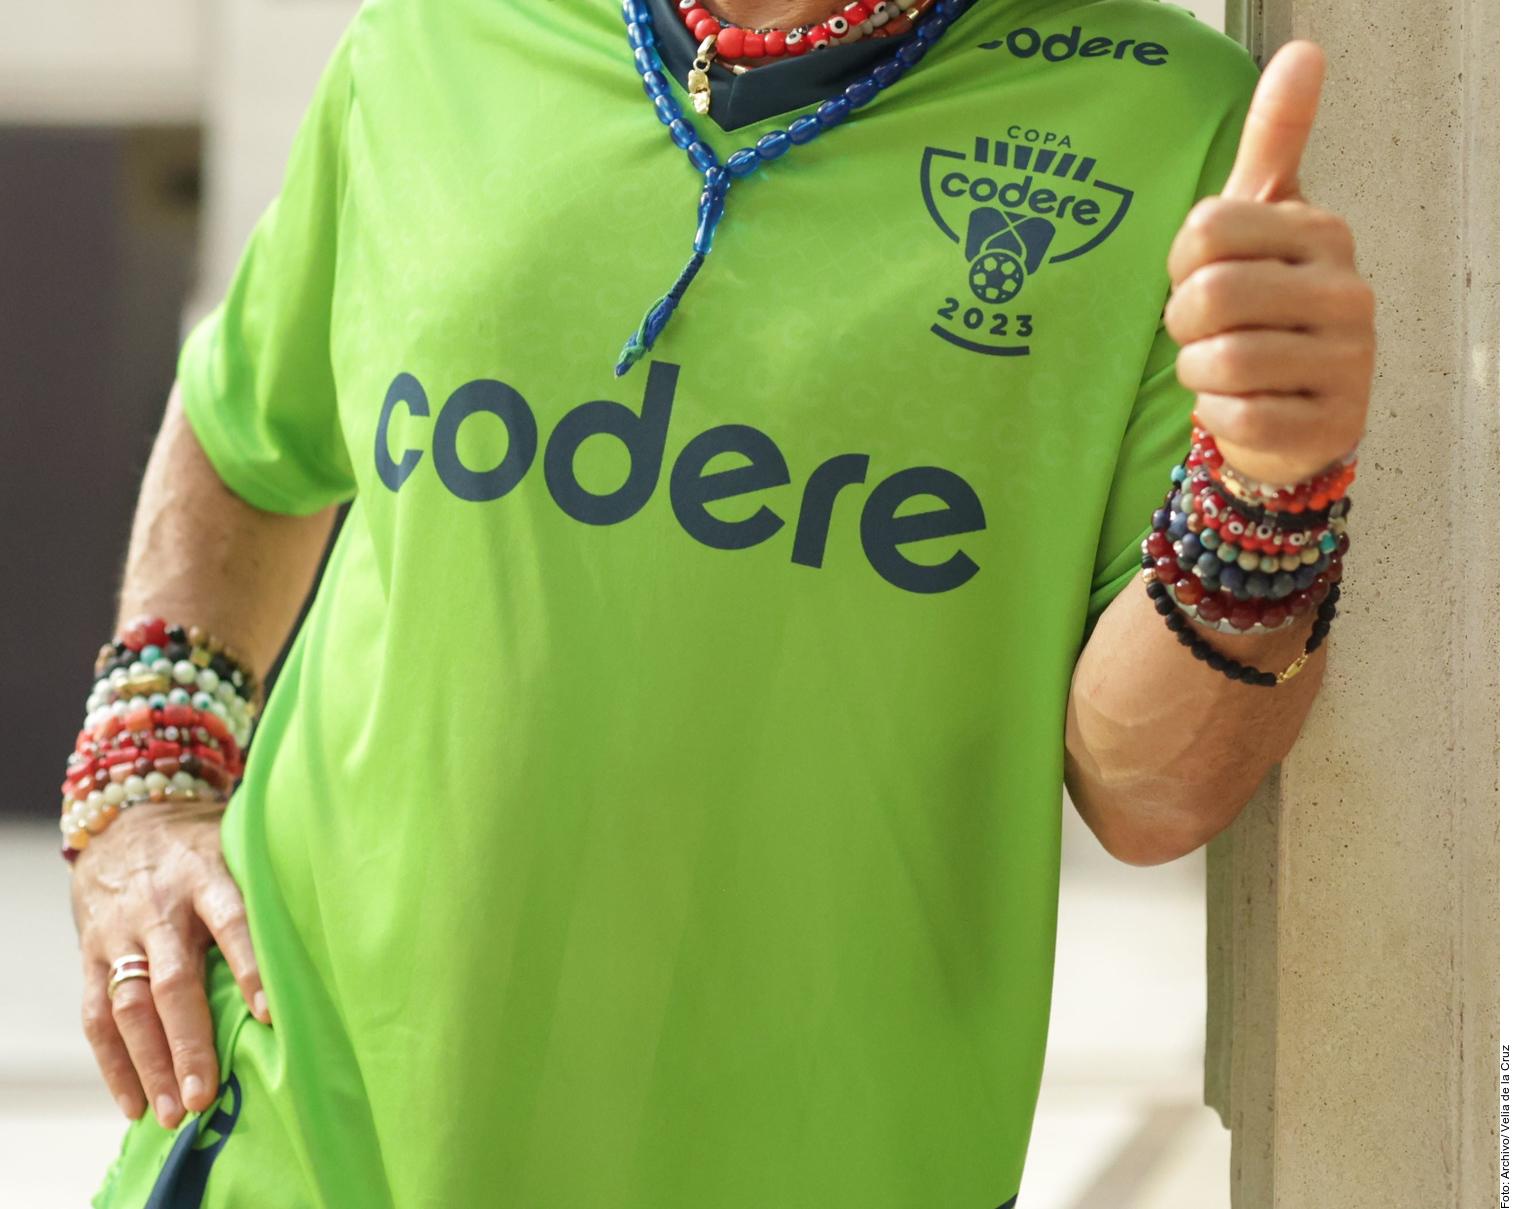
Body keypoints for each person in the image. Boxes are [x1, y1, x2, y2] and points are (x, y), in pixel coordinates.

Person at [70, 0, 1373, 1204]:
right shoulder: (442, 32)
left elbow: (1149, 797)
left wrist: (1265, 494)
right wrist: (143, 781)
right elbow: (248, 436)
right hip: (294, 1139)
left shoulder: (1170, 124)